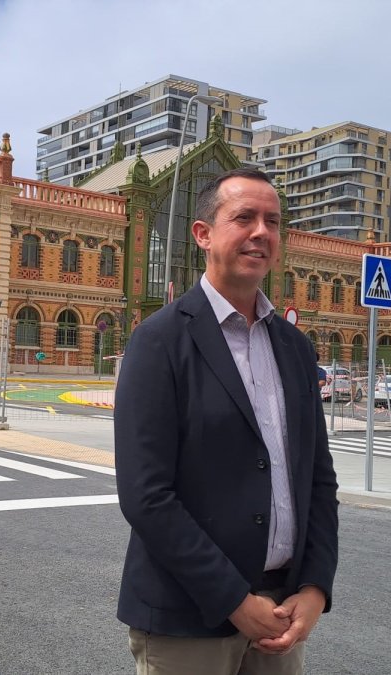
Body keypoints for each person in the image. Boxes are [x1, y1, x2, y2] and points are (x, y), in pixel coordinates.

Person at [115, 167, 338, 675]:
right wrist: (235, 600)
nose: (262, 232)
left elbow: (317, 480)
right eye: (244, 218)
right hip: (187, 618)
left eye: (273, 221)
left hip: (280, 610)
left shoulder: (295, 347)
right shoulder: (160, 341)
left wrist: (315, 586)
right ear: (203, 234)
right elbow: (147, 496)